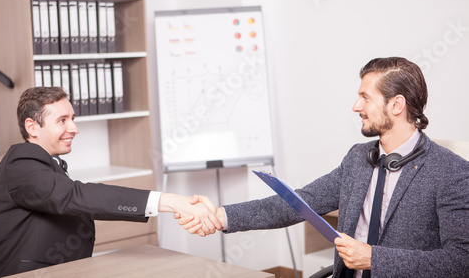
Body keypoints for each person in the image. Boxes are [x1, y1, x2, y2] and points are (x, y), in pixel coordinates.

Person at [178, 57, 469, 277]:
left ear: (397, 105)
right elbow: (297, 203)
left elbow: (461, 260)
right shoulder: (358, 159)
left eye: (366, 97)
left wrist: (373, 258)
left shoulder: (451, 172)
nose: (356, 106)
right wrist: (221, 215)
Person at [0, 87, 221, 278]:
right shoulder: (21, 161)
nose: (74, 128)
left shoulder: (45, 164)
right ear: (31, 126)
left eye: (72, 118)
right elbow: (76, 196)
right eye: (62, 120)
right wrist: (170, 201)